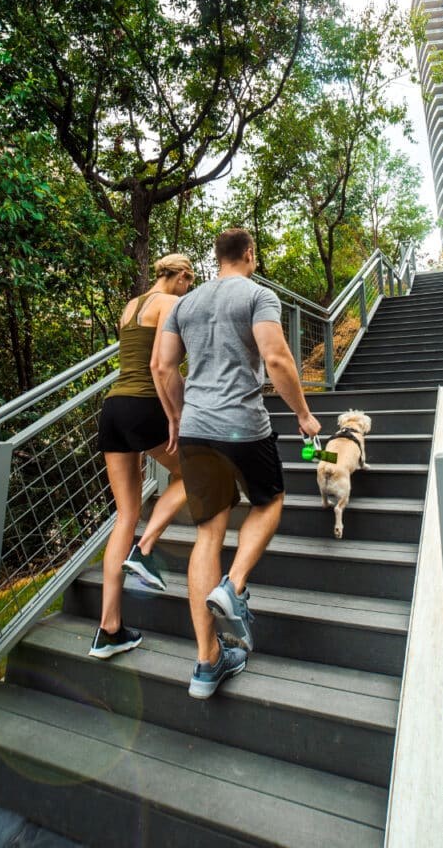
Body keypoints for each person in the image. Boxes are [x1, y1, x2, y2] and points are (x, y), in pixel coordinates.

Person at [155, 228, 321, 698]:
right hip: (243, 426)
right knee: (269, 500)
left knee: (208, 533)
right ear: (249, 255)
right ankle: (235, 584)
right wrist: (304, 416)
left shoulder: (185, 304)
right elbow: (276, 357)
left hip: (196, 429)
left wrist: (182, 414)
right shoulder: (258, 295)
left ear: (215, 258)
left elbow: (164, 367)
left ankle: (207, 664)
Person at [89, 253, 196, 659]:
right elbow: (161, 366)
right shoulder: (173, 304)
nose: (190, 289)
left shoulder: (130, 307)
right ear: (182, 276)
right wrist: (175, 414)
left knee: (125, 514)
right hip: (145, 404)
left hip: (113, 408)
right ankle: (145, 550)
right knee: (196, 475)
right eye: (190, 282)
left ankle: (109, 629)